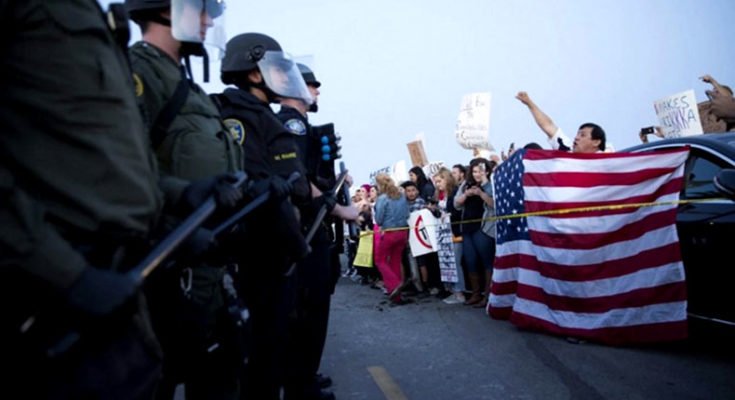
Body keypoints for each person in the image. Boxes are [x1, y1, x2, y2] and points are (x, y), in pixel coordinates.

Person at [0, 1, 167, 398]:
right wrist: (64, 272)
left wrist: (177, 200)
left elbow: (103, 156)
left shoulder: (90, 12)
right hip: (49, 289)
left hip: (112, 280)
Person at [125, 0, 246, 398]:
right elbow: (121, 168)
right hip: (165, 264)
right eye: (200, 9)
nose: (209, 20)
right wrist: (180, 199)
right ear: (163, 9)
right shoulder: (138, 73)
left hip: (207, 263)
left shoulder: (190, 88)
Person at [213, 32, 314, 400]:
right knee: (263, 356)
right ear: (255, 73)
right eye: (273, 68)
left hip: (252, 251)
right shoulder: (248, 117)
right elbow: (280, 184)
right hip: (262, 253)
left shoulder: (236, 111)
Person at [276, 63, 358, 400]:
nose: (317, 91)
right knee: (308, 311)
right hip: (306, 230)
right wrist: (341, 209)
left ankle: (302, 375)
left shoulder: (299, 126)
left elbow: (310, 174)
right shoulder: (291, 123)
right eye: (311, 85)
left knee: (309, 309)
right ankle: (301, 384)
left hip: (309, 228)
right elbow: (297, 178)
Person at [515, 91, 606, 154]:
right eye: (577, 134)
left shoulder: (609, 160)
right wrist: (529, 103)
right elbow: (548, 126)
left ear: (596, 142)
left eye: (582, 135)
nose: (576, 138)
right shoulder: (566, 149)